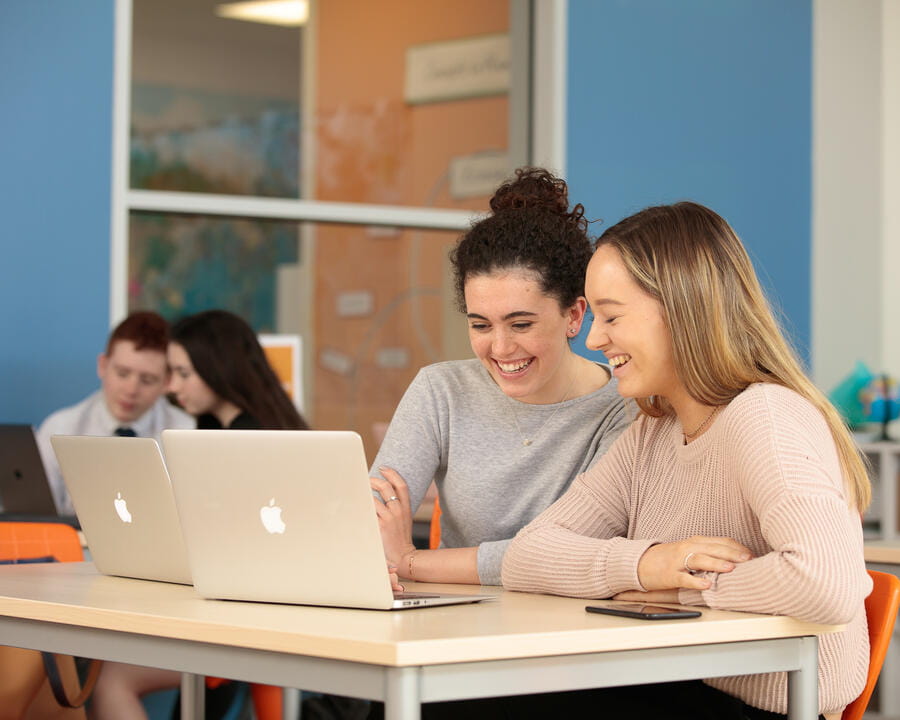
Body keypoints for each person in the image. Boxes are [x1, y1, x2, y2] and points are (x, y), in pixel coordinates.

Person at [501, 201, 872, 720]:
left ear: (682, 308)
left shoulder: (764, 416)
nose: (593, 338)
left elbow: (827, 585)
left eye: (611, 315)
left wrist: (685, 587)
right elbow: (527, 556)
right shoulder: (653, 431)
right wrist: (648, 563)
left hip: (761, 706)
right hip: (673, 682)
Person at [369, 167, 635, 587]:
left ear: (574, 315)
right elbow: (377, 516)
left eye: (521, 324)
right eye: (480, 325)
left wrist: (410, 562)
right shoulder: (442, 391)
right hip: (449, 619)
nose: (500, 348)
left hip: (565, 628)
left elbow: (566, 552)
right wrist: (383, 557)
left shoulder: (625, 410)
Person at [89, 309, 308, 720]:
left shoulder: (247, 443)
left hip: (248, 627)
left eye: (182, 373)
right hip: (228, 617)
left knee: (111, 679)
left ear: (218, 369)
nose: (172, 387)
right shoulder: (225, 435)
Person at [36, 311, 194, 516]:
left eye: (147, 380)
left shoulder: (185, 431)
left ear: (166, 382)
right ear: (103, 366)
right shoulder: (60, 428)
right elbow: (40, 517)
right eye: (122, 373)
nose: (131, 389)